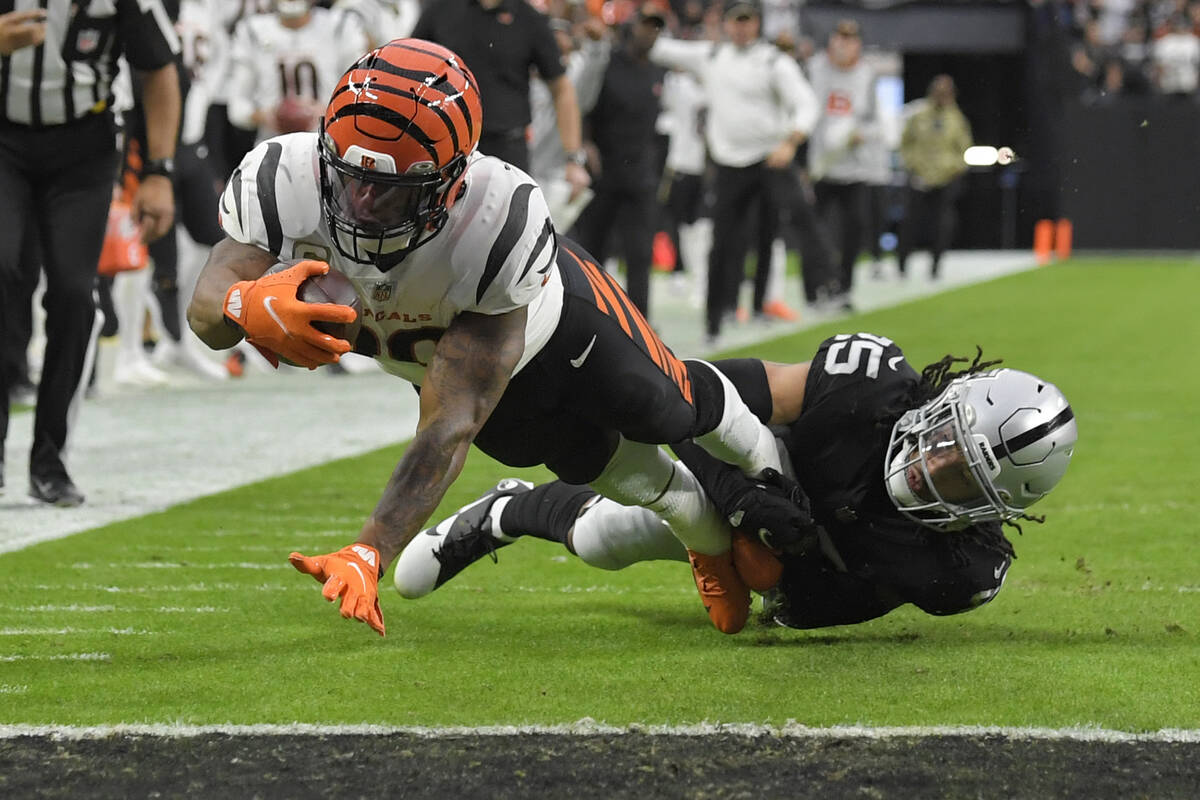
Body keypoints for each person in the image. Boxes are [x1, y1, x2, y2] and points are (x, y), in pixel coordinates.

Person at [186, 39, 786, 637]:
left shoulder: (496, 219)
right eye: (350, 178)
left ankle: (765, 461)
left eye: (392, 188)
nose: (364, 204)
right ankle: (703, 540)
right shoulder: (280, 177)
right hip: (458, 374)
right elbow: (207, 309)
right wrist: (244, 304)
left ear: (451, 182)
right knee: (606, 470)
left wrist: (371, 548)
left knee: (663, 406)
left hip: (559, 324)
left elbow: (452, 420)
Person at [394, 332, 1078, 633]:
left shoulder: (962, 571)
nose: (931, 467)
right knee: (607, 537)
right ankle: (508, 512)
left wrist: (788, 581)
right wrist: (739, 488)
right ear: (938, 405)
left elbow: (848, 597)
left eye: (959, 480)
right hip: (758, 464)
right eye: (942, 442)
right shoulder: (862, 391)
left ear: (987, 513)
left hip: (807, 558)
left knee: (755, 573)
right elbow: (695, 392)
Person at [0, 2, 181, 504]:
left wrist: (159, 171)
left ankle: (50, 459)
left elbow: (159, 68)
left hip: (84, 146)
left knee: (76, 297)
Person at [649, 0, 823, 345]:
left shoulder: (774, 61)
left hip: (770, 160)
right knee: (722, 243)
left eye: (748, 21)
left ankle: (820, 290)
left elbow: (807, 103)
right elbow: (660, 48)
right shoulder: (712, 57)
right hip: (729, 165)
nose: (742, 28)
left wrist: (791, 141)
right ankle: (715, 319)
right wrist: (647, 19)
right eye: (736, 21)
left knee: (794, 220)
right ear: (727, 24)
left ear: (757, 24)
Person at [411, 0, 590, 205]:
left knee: (507, 228)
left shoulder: (530, 19)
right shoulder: (442, 9)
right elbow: (410, 63)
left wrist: (573, 159)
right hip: (444, 146)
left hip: (505, 151)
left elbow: (561, 89)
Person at [569, 4, 668, 318]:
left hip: (641, 176)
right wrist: (584, 143)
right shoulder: (607, 63)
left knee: (639, 256)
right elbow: (583, 105)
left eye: (655, 27)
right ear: (632, 26)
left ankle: (641, 328)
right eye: (645, 25)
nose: (649, 33)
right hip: (605, 173)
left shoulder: (656, 71)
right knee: (594, 254)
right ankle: (593, 319)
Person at [807, 19, 877, 309]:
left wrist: (862, 134)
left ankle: (844, 288)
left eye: (851, 38)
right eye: (840, 37)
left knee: (854, 230)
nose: (844, 44)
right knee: (814, 231)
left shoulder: (866, 74)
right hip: (820, 167)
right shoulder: (814, 68)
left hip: (853, 168)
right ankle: (815, 290)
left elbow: (874, 121)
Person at [896, 75, 972, 280]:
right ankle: (902, 266)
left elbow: (964, 149)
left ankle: (935, 267)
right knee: (909, 223)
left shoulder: (957, 120)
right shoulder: (918, 116)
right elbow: (905, 143)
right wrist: (911, 165)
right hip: (919, 177)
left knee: (942, 226)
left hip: (945, 179)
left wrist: (954, 168)